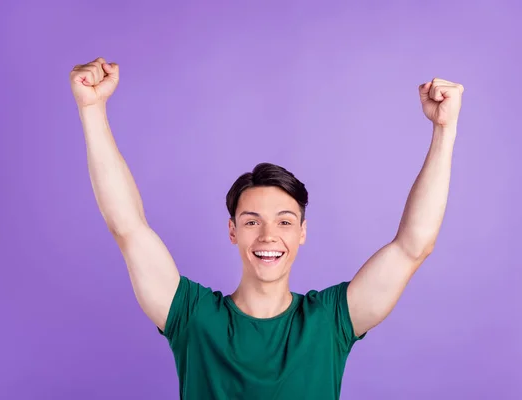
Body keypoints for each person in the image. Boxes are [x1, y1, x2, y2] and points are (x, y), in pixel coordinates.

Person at [69, 57, 464, 399]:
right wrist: (91, 109)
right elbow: (128, 227)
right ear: (232, 231)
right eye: (252, 221)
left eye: (285, 222)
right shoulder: (193, 317)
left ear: (302, 233)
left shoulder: (329, 322)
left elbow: (413, 246)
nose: (268, 236)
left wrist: (444, 130)